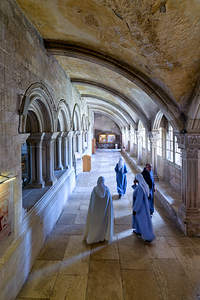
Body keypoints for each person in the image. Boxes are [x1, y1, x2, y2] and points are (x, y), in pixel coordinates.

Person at [83, 176, 114, 244]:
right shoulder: (107, 190)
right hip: (104, 212)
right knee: (103, 224)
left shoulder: (94, 190)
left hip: (95, 213)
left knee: (95, 224)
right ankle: (102, 237)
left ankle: (94, 237)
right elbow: (109, 202)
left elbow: (92, 201)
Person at [132, 174, 155, 243]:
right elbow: (138, 192)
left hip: (141, 208)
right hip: (144, 206)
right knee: (138, 220)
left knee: (143, 221)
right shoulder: (142, 186)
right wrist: (134, 185)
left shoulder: (140, 189)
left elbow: (139, 199)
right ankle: (138, 231)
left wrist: (135, 209)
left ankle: (149, 237)